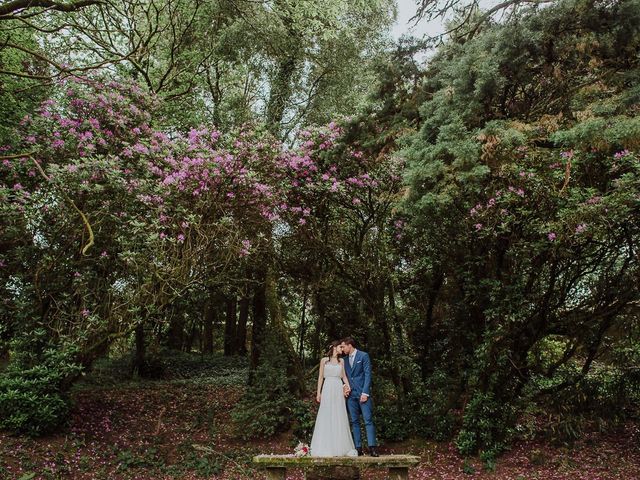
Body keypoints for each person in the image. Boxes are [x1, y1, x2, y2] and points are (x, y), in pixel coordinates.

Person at [309, 341, 358, 457]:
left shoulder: (342, 361)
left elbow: (344, 376)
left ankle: (340, 446)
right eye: (340, 347)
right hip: (327, 388)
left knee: (338, 414)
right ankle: (325, 445)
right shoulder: (324, 361)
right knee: (326, 414)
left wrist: (348, 387)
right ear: (334, 348)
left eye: (342, 347)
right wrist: (318, 393)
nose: (342, 348)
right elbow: (321, 377)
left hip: (337, 388)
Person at [340, 337, 379, 457]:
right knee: (354, 421)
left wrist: (365, 393)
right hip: (351, 396)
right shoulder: (344, 360)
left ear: (349, 345)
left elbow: (368, 375)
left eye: (343, 346)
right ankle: (358, 448)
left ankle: (372, 448)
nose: (342, 349)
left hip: (363, 394)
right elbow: (344, 377)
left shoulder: (363, 356)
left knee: (368, 420)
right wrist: (345, 388)